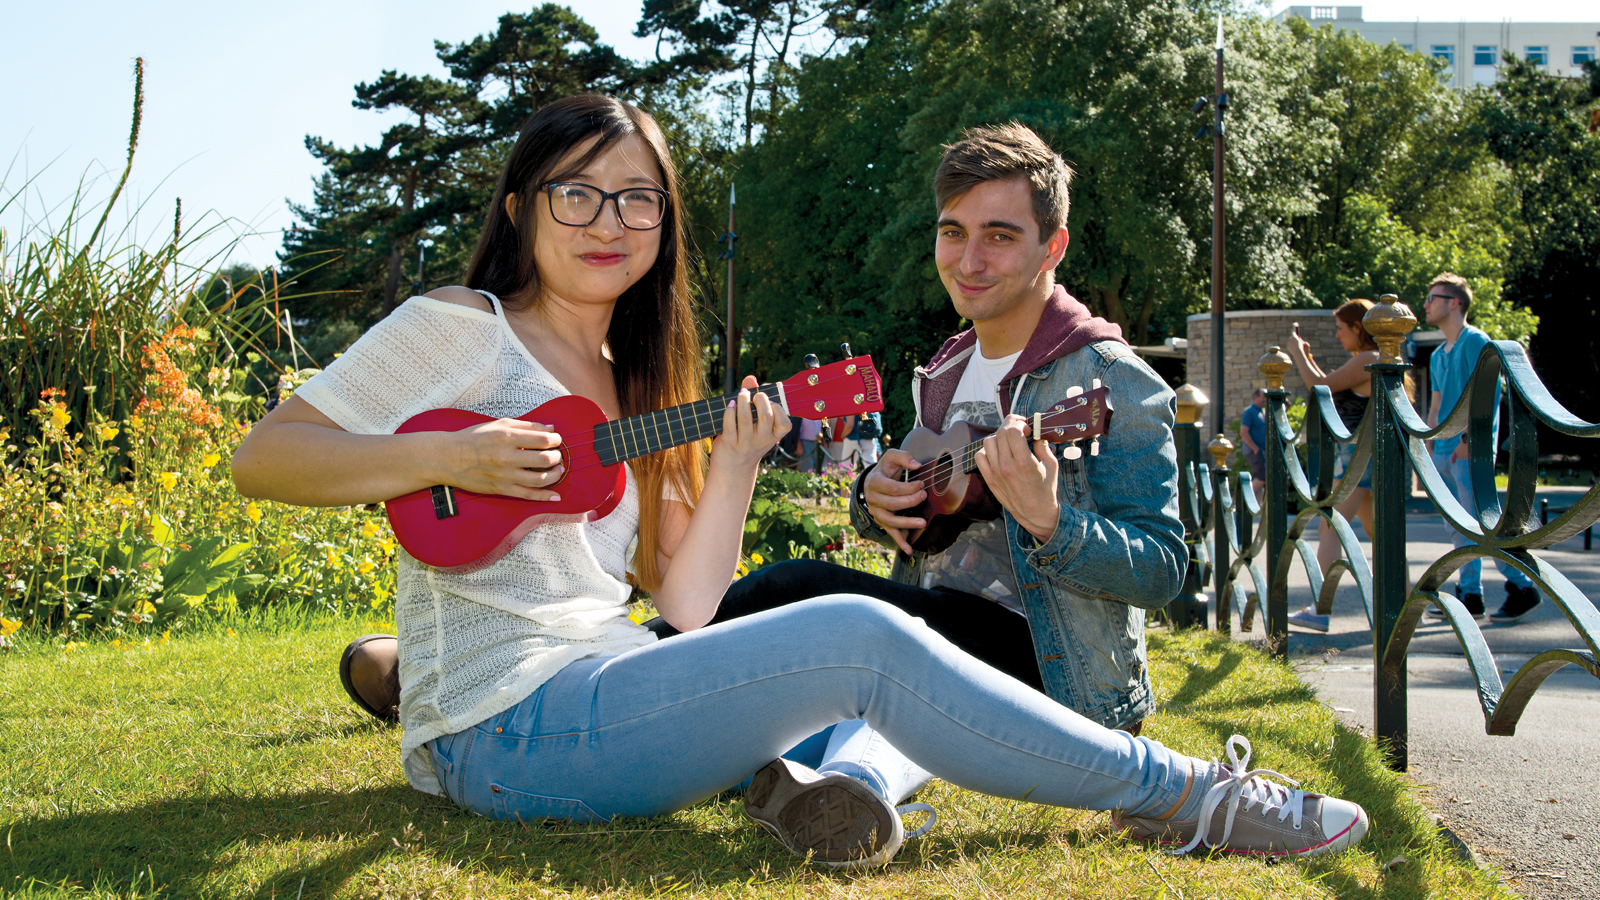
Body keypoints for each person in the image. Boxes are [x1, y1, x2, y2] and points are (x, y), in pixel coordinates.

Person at [258, 95, 1367, 868]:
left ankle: (845, 784)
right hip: (506, 735)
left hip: (598, 685)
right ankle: (1193, 797)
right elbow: (265, 456)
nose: (610, 224)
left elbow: (688, 609)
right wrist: (442, 455)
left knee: (817, 625)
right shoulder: (459, 329)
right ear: (519, 208)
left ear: (665, 223)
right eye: (577, 196)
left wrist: (737, 461)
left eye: (638, 200)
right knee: (856, 635)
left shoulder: (632, 379)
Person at [1422, 273, 1542, 623]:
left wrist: (1465, 441)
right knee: (1460, 528)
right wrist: (1431, 440)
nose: (1426, 305)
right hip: (1444, 450)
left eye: (1433, 298)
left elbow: (1486, 393)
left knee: (1481, 526)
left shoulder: (1476, 341)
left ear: (1454, 302)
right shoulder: (1438, 353)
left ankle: (1522, 588)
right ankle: (1470, 596)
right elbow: (1438, 400)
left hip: (1469, 450)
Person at [1284, 301, 1382, 633]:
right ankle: (1407, 605)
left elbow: (1318, 387)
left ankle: (1320, 610)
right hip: (1368, 460)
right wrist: (1308, 358)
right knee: (1380, 536)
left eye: (1341, 328)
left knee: (1329, 528)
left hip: (1361, 460)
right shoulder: (1371, 359)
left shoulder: (1368, 359)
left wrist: (1298, 353)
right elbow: (1327, 384)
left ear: (1358, 328)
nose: (1338, 336)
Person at [1238, 389, 1268, 503]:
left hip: (1260, 450)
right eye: (1263, 397)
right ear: (1256, 397)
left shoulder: (1262, 412)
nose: (1265, 400)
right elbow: (1243, 432)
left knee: (1260, 477)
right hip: (1253, 451)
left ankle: (1256, 506)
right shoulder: (1249, 412)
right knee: (1262, 476)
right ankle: (1243, 500)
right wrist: (1255, 448)